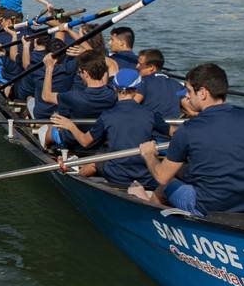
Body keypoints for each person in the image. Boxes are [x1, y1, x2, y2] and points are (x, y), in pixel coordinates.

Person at [139, 62, 244, 216]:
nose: (187, 96)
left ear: (202, 93)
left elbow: (162, 176)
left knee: (166, 185)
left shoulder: (188, 130)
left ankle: (153, 221)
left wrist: (149, 155)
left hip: (210, 209)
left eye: (189, 91)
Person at [52, 68, 170, 201]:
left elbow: (85, 142)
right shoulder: (151, 114)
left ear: (114, 88)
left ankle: (76, 180)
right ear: (137, 89)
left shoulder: (107, 116)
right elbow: (172, 132)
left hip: (117, 176)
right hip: (146, 177)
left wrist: (70, 126)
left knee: (96, 160)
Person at [39, 49, 117, 148]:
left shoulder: (74, 97)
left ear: (85, 74)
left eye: (79, 72)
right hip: (100, 139)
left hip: (73, 140)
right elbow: (113, 65)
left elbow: (46, 96)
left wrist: (49, 67)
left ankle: (46, 147)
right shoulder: (113, 93)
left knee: (46, 130)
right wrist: (87, 54)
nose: (79, 75)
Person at [135, 48, 184, 124]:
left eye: (140, 64)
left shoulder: (143, 82)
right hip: (173, 126)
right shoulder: (177, 84)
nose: (137, 66)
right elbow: (190, 108)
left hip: (151, 127)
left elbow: (131, 105)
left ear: (151, 67)